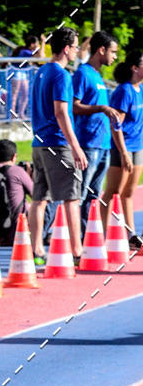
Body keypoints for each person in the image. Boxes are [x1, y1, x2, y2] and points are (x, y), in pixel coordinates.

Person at [28, 27, 87, 267]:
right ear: (66, 48)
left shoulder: (41, 71)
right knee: (71, 197)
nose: (76, 51)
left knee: (39, 198)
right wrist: (75, 146)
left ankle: (36, 250)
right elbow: (62, 112)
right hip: (57, 142)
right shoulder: (62, 75)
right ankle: (77, 252)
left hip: (39, 142)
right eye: (75, 47)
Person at [72, 30, 119, 237]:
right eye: (113, 52)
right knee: (81, 195)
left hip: (103, 144)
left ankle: (88, 237)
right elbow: (74, 106)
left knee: (94, 196)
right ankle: (76, 240)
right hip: (88, 143)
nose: (115, 57)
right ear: (101, 50)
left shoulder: (98, 75)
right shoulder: (83, 73)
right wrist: (101, 108)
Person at [99, 50, 143, 243]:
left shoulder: (140, 90)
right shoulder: (124, 91)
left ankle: (131, 234)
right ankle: (99, 234)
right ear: (135, 68)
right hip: (122, 147)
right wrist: (124, 152)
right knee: (113, 191)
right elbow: (115, 124)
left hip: (137, 147)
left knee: (129, 193)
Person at [11, 33, 39, 120]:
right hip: (16, 72)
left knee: (25, 94)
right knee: (15, 95)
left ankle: (21, 113)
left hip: (23, 73)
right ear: (32, 44)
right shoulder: (25, 52)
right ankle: (12, 114)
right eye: (37, 44)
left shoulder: (27, 51)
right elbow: (37, 57)